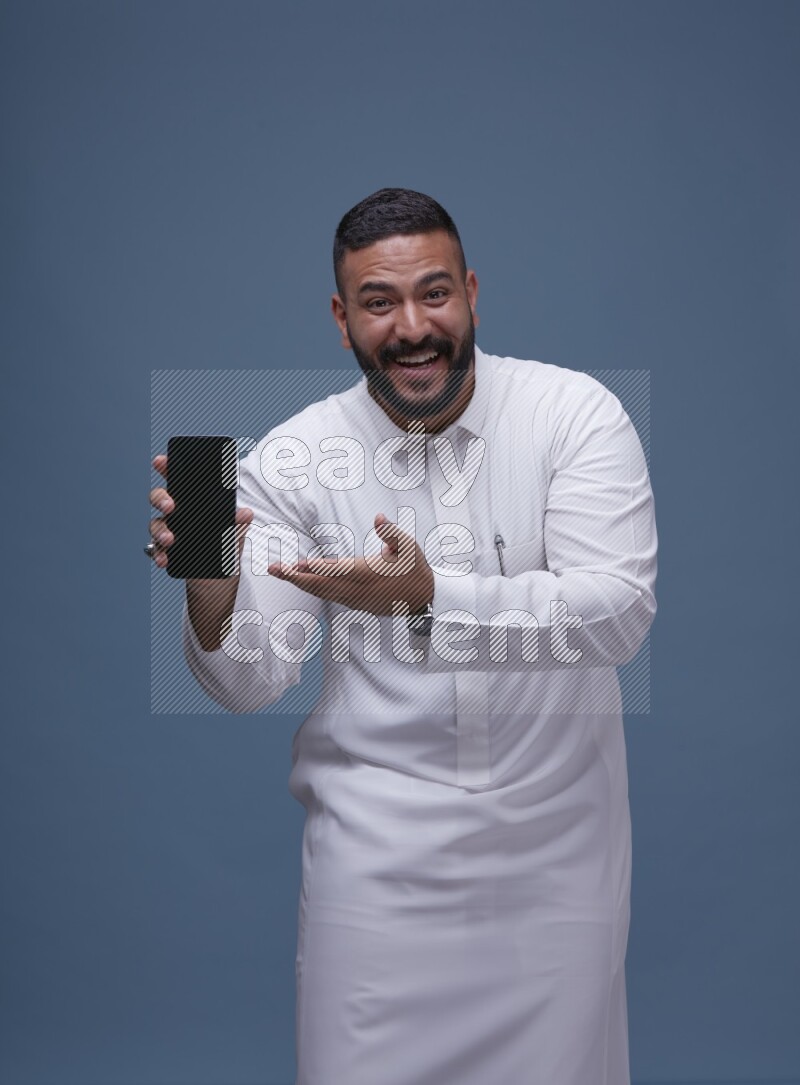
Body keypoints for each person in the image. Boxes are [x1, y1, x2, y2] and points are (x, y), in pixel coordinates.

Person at [148, 188, 657, 1085]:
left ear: (471, 291)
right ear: (343, 320)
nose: (413, 326)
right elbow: (246, 682)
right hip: (376, 874)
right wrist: (210, 580)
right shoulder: (291, 462)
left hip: (559, 867)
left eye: (435, 294)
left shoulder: (574, 415)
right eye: (380, 303)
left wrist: (430, 597)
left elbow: (616, 613)